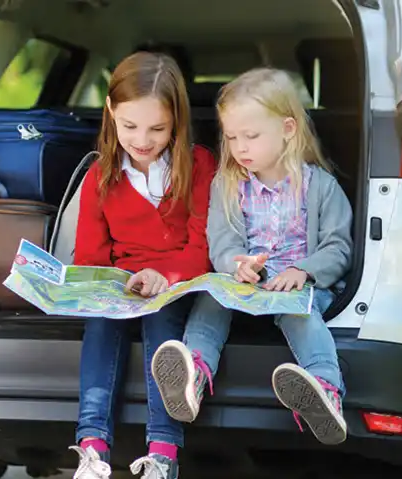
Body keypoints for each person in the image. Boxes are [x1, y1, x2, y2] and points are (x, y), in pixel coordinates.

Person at [150, 67, 353, 446]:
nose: (240, 147)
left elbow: (339, 247)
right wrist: (235, 263)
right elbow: (222, 241)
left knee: (301, 314)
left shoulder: (321, 187)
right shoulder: (228, 185)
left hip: (296, 286)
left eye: (251, 136)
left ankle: (325, 390)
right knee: (211, 299)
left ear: (288, 130)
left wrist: (303, 271)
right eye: (231, 137)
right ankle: (192, 374)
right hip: (248, 282)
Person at [69, 51, 216, 478]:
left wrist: (164, 277)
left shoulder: (200, 166)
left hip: (177, 283)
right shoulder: (101, 175)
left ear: (177, 121)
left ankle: (162, 453)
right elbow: (90, 256)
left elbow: (202, 247)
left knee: (162, 326)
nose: (142, 140)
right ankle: (92, 448)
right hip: (123, 285)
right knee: (100, 321)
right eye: (130, 126)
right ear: (111, 112)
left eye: (158, 129)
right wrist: (109, 285)